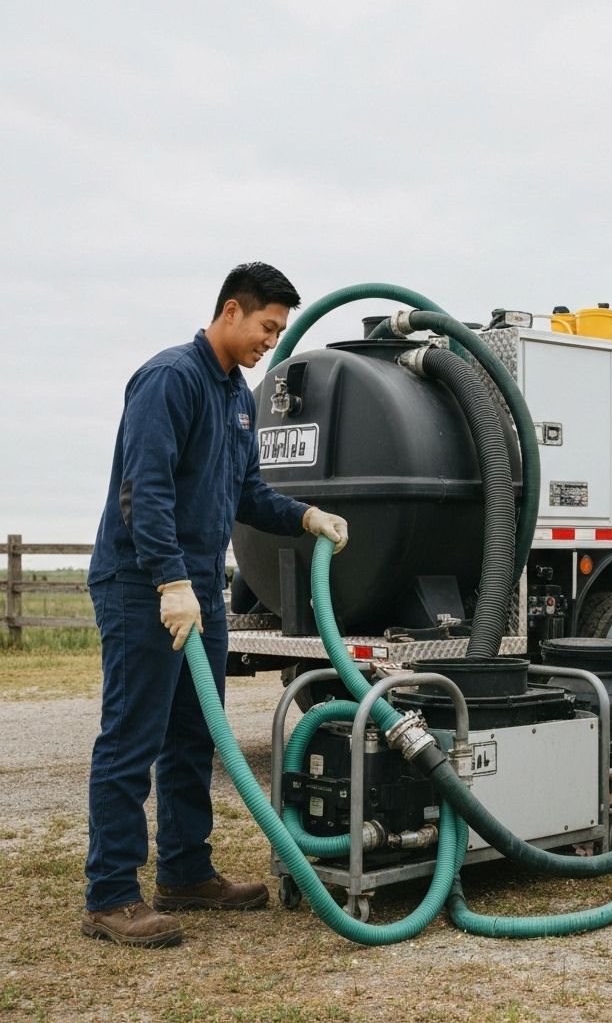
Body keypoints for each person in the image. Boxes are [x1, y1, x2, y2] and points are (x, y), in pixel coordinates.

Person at [82, 262, 348, 948]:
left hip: (199, 586)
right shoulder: (169, 379)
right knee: (131, 738)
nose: (271, 340)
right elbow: (147, 488)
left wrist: (307, 515)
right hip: (145, 584)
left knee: (195, 736)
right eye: (267, 327)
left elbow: (247, 493)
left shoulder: (239, 395)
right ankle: (110, 897)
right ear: (232, 311)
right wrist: (169, 581)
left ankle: (185, 873)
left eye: (280, 331)